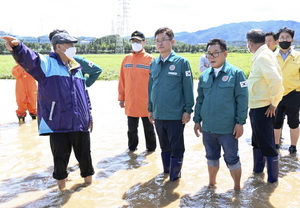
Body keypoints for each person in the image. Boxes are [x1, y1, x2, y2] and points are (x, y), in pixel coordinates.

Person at [2, 33, 94, 190]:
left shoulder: (76, 67)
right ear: (59, 46)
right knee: (60, 160)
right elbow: (30, 59)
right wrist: (18, 47)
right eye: (70, 44)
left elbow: (84, 94)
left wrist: (89, 115)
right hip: (58, 122)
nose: (73, 48)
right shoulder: (47, 64)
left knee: (85, 157)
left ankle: (89, 187)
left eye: (73, 45)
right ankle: (62, 192)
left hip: (80, 122)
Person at [193, 38, 248, 190]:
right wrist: (197, 121)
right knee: (211, 158)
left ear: (225, 54)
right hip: (208, 128)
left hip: (228, 129)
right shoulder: (205, 76)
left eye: (215, 53)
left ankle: (237, 188)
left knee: (232, 159)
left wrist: (240, 123)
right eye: (209, 54)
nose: (211, 57)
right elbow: (200, 100)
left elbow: (242, 101)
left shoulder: (237, 74)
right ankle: (211, 185)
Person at [148, 27, 194, 181]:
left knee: (176, 147)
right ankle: (166, 173)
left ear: (172, 42)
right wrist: (150, 108)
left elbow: (188, 88)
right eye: (157, 41)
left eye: (163, 40)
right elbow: (151, 87)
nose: (160, 43)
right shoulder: (154, 63)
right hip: (158, 114)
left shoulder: (181, 62)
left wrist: (188, 110)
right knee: (164, 147)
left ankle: (175, 177)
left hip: (175, 114)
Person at [246, 29, 284, 183]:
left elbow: (276, 81)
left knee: (267, 144)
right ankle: (258, 172)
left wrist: (274, 103)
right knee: (257, 141)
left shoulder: (262, 57)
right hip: (257, 107)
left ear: (250, 43)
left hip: (263, 108)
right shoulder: (265, 54)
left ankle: (272, 181)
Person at [118, 30, 156, 152]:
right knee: (131, 129)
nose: (135, 43)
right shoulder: (126, 59)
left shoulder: (151, 60)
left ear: (144, 43)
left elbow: (156, 83)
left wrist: (155, 102)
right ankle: (132, 151)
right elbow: (122, 80)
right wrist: (121, 98)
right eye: (133, 41)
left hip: (146, 102)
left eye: (138, 41)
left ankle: (151, 151)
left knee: (149, 129)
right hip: (130, 101)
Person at [274, 27, 300, 154]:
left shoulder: (298, 57)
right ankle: (276, 145)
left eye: (287, 37)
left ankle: (293, 146)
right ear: (278, 41)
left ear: (292, 40)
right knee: (276, 121)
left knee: (294, 122)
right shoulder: (272, 57)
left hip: (294, 94)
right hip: (276, 94)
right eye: (282, 38)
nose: (284, 40)